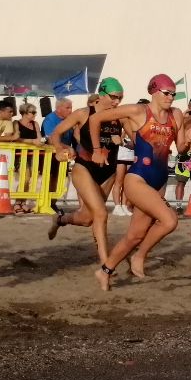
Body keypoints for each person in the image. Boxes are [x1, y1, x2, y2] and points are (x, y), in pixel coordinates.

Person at [87, 73, 191, 291]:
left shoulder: (176, 115)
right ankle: (139, 256)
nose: (171, 98)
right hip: (137, 179)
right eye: (167, 93)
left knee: (135, 234)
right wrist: (98, 149)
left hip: (159, 179)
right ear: (154, 92)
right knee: (169, 220)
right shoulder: (138, 111)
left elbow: (180, 147)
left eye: (173, 94)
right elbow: (95, 119)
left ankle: (105, 270)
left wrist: (188, 143)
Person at [45, 76, 127, 265]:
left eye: (120, 98)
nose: (117, 102)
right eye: (114, 97)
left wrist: (126, 142)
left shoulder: (119, 116)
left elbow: (137, 135)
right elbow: (56, 133)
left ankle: (60, 220)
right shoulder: (83, 113)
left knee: (87, 218)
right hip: (85, 168)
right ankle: (106, 264)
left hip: (108, 171)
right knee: (101, 214)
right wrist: (60, 148)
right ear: (102, 94)